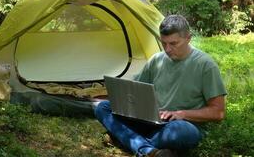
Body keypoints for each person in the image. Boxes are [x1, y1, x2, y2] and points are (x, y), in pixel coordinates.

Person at [94, 15, 227, 157]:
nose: (168, 49)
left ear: (188, 38)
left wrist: (181, 114)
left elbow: (218, 112)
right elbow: (136, 90)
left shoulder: (205, 65)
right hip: (150, 120)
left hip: (181, 125)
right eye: (164, 43)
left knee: (181, 132)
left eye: (173, 43)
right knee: (103, 107)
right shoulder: (156, 60)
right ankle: (149, 150)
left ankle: (127, 139)